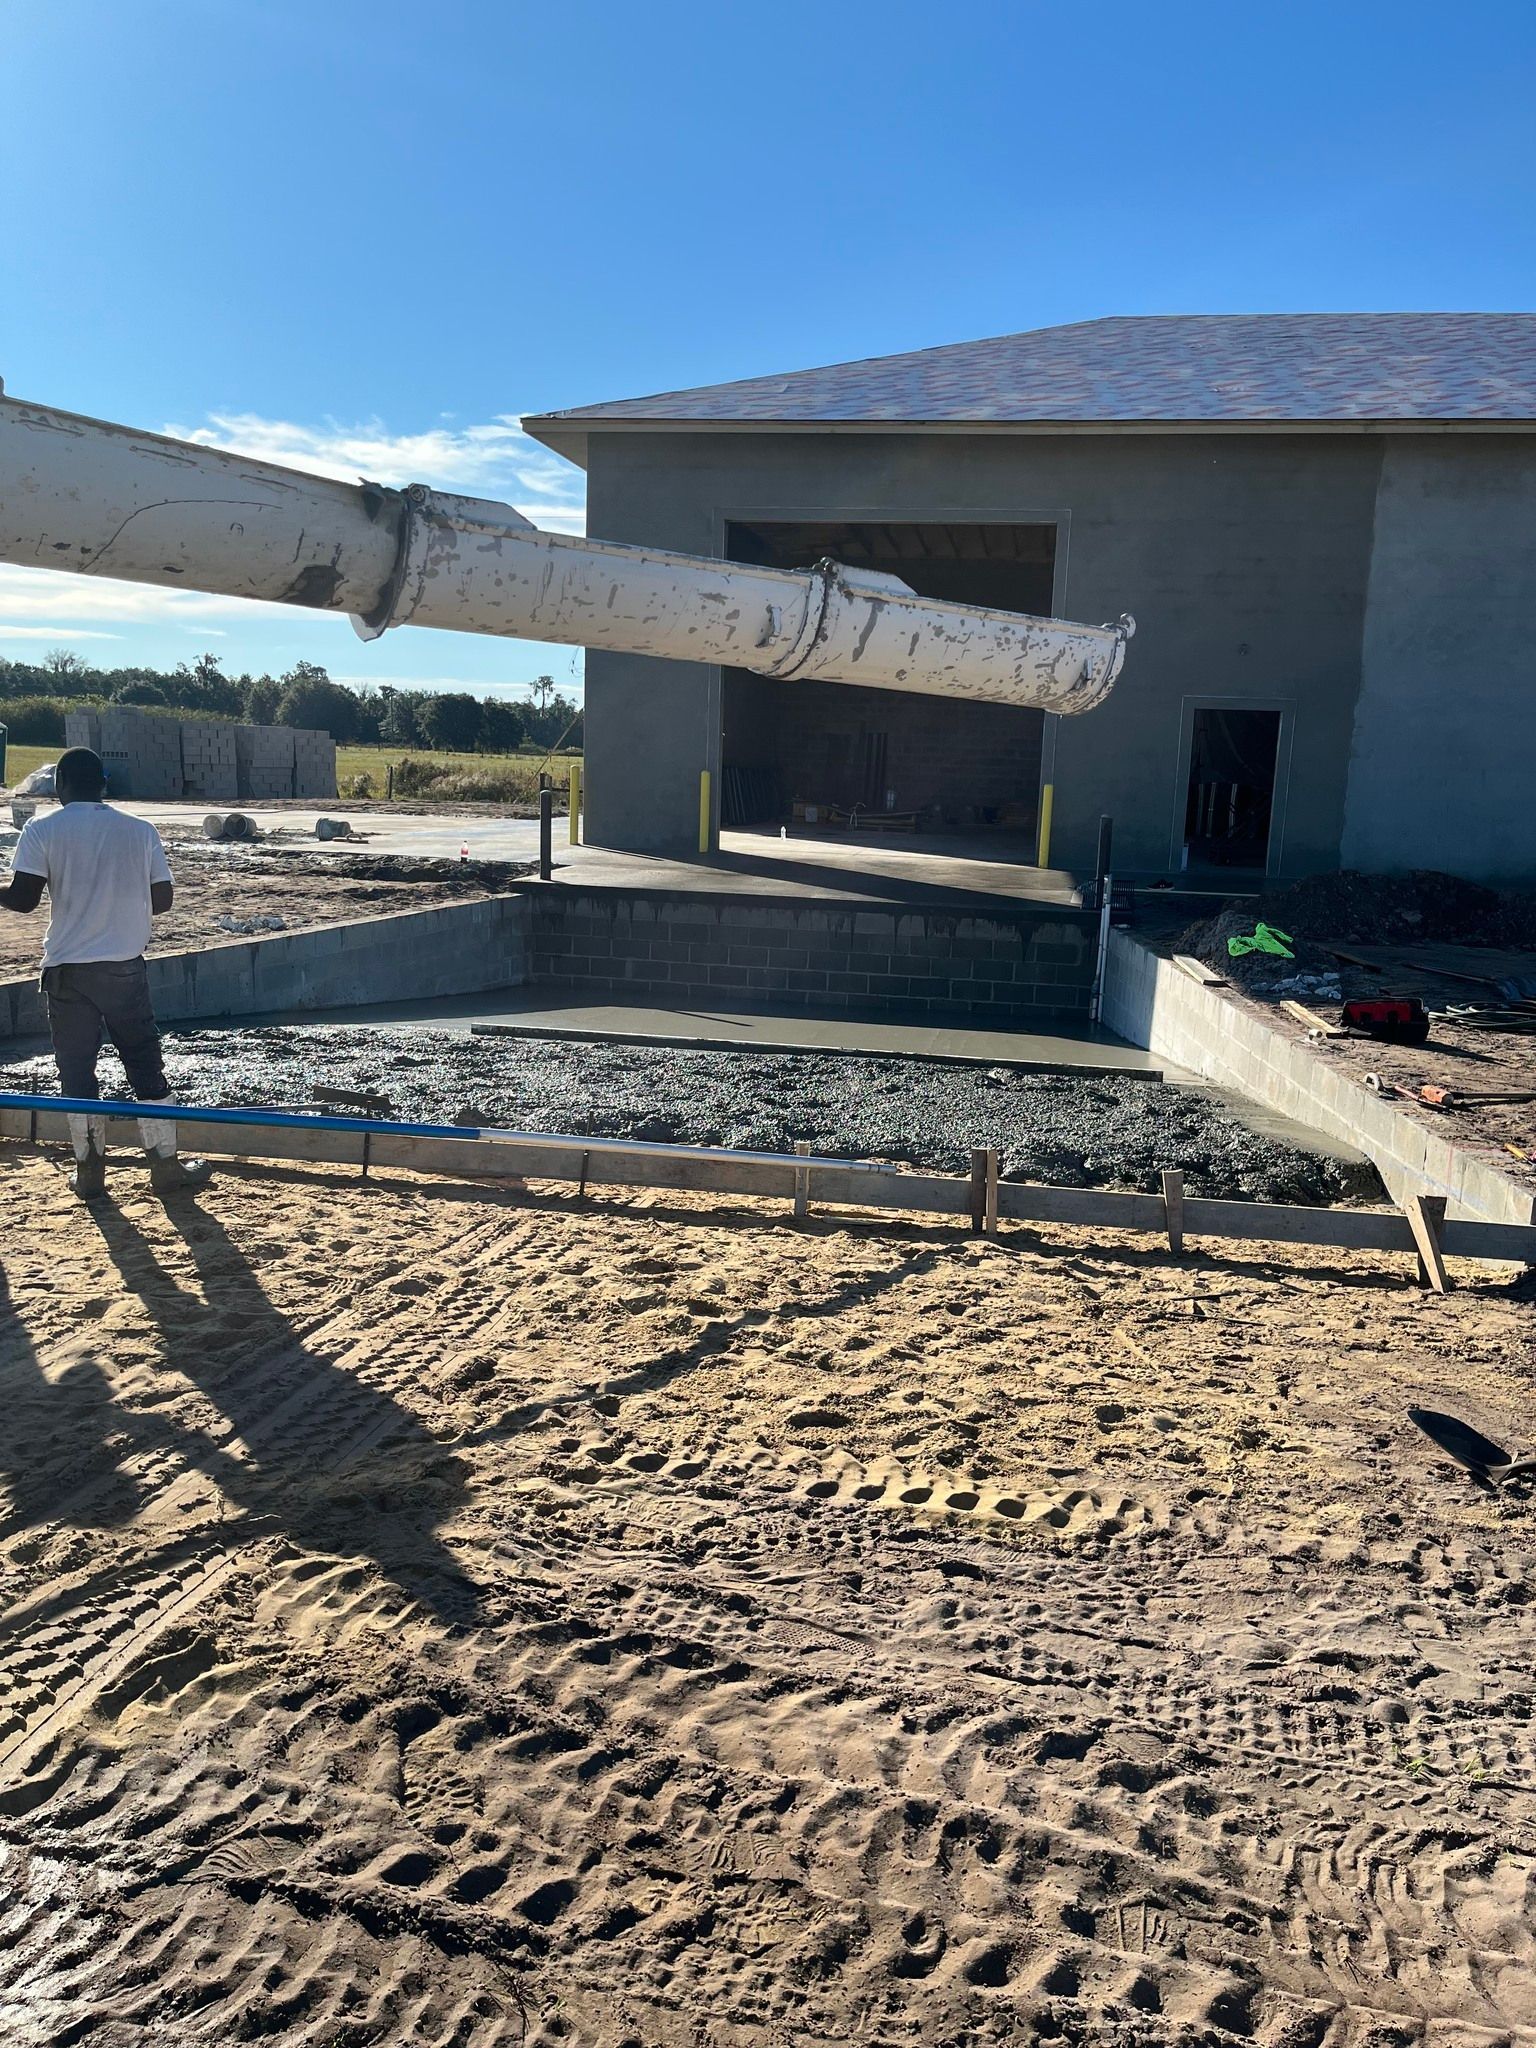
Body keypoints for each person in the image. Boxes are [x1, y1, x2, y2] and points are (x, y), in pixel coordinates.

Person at [0, 747, 212, 1199]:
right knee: (144, 1066)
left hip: (66, 970)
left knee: (76, 1073)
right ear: (103, 783)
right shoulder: (139, 831)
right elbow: (163, 900)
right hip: (122, 968)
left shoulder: (41, 830)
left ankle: (90, 1174)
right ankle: (164, 1167)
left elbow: (22, 900)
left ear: (60, 785)